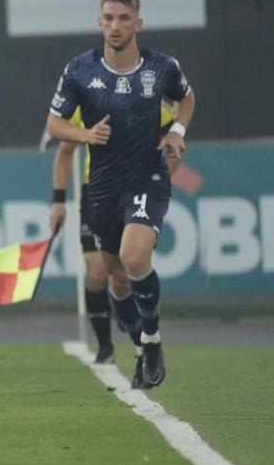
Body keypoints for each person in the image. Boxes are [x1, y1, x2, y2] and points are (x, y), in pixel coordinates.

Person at [45, 0, 196, 390]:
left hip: (146, 178)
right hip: (101, 188)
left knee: (132, 256)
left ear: (137, 23)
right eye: (109, 18)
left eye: (124, 18)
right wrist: (85, 134)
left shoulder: (161, 68)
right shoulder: (79, 71)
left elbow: (186, 99)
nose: (115, 25)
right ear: (100, 23)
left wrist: (177, 134)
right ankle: (137, 342)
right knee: (113, 274)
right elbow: (55, 128)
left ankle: (151, 341)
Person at [48, 101, 180, 365]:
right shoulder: (86, 98)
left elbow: (173, 151)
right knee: (98, 269)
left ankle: (138, 331)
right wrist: (59, 200)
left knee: (122, 275)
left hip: (136, 189)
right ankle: (105, 346)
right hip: (95, 192)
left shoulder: (155, 103)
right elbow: (65, 150)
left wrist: (157, 182)